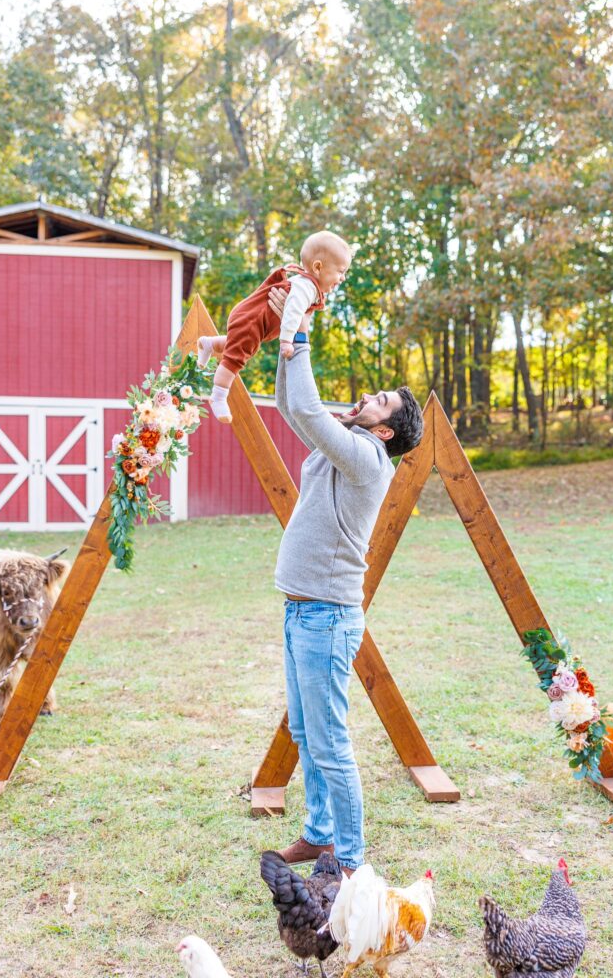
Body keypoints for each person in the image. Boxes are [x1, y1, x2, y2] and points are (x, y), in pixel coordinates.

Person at [267, 286, 424, 877]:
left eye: (377, 401)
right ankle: (318, 834)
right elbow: (292, 408)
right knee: (307, 733)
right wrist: (287, 345)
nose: (364, 398)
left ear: (385, 432)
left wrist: (299, 334)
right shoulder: (352, 445)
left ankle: (352, 868)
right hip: (300, 611)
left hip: (326, 618)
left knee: (330, 744)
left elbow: (307, 412)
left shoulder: (366, 459)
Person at [197, 231, 351, 423]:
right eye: (341, 271)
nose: (343, 278)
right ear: (318, 267)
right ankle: (219, 395)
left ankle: (209, 344)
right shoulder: (306, 287)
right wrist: (287, 340)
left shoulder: (305, 283)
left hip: (252, 320)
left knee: (239, 345)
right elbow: (293, 312)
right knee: (235, 359)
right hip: (252, 321)